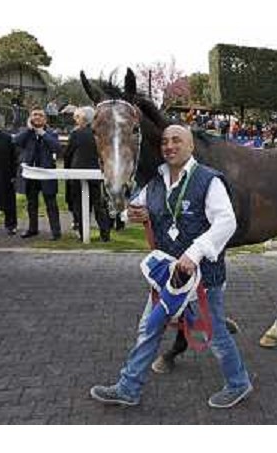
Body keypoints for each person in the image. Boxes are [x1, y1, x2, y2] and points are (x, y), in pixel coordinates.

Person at [90, 125, 252, 409]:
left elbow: (227, 223)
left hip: (203, 278)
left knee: (214, 335)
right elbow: (131, 209)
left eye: (177, 140)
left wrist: (195, 252)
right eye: (165, 142)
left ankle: (238, 384)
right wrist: (131, 213)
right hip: (167, 278)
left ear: (190, 146)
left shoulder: (208, 181)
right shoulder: (155, 183)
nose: (169, 146)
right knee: (148, 329)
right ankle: (128, 387)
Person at [63, 106, 111, 242]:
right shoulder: (100, 133)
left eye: (77, 118)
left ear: (83, 119)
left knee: (80, 204)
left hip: (78, 172)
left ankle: (83, 234)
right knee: (98, 204)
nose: (75, 120)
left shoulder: (76, 134)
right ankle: (105, 234)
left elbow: (68, 153)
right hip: (96, 172)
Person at [14, 107, 62, 240]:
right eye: (34, 115)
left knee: (51, 203)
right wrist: (30, 129)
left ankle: (56, 232)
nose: (37, 117)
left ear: (45, 119)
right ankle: (32, 229)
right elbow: (16, 141)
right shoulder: (26, 133)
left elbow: (56, 147)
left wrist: (42, 133)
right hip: (31, 174)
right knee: (31, 203)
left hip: (46, 174)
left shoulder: (52, 132)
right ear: (30, 117)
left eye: (40, 115)